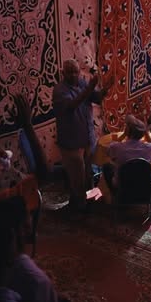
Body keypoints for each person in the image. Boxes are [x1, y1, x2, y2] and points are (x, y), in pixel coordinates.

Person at [53, 59, 109, 211]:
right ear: (63, 73)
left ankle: (84, 203)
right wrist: (89, 88)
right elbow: (72, 105)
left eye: (75, 72)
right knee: (77, 178)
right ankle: (79, 208)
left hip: (87, 137)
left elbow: (95, 98)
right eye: (69, 72)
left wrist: (105, 89)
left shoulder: (82, 83)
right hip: (71, 142)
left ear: (79, 72)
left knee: (88, 174)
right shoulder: (59, 90)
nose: (73, 75)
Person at [103, 115, 151, 216]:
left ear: (127, 132)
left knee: (106, 167)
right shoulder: (150, 148)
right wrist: (146, 134)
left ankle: (116, 196)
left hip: (122, 186)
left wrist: (123, 135)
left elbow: (109, 151)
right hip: (144, 187)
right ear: (143, 134)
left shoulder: (117, 147)